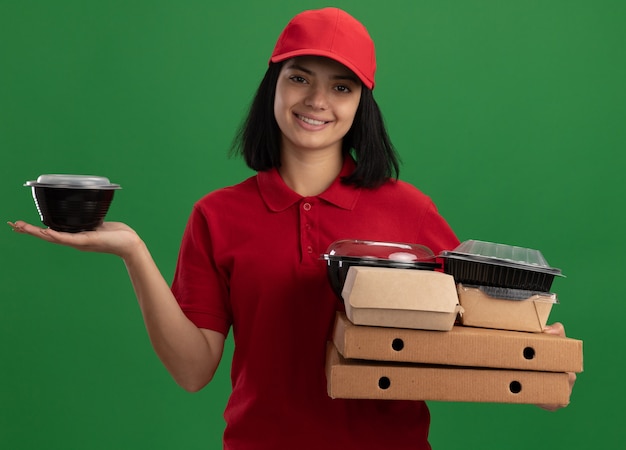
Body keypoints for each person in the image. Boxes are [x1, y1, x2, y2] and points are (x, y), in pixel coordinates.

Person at [9, 7, 575, 449]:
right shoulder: (217, 216)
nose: (317, 101)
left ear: (362, 105)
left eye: (341, 86)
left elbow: (473, 324)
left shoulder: (408, 210)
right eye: (299, 78)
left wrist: (537, 360)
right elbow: (192, 369)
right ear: (273, 87)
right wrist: (133, 251)